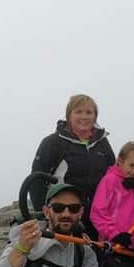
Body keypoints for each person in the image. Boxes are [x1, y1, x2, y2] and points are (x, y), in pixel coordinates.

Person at [30, 94, 115, 240]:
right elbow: (36, 181)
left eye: (89, 112)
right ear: (69, 115)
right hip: (65, 215)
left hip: (97, 217)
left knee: (94, 258)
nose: (84, 116)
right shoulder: (53, 143)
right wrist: (44, 215)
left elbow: (113, 174)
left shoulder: (102, 143)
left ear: (95, 117)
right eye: (78, 112)